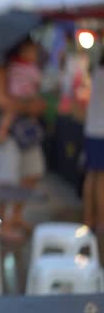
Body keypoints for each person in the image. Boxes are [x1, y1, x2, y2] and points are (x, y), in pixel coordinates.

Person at [0, 40, 47, 242]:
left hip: (26, 130)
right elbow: (0, 100)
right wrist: (27, 106)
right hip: (7, 132)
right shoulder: (2, 68)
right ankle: (2, 222)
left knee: (33, 171)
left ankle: (16, 216)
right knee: (7, 178)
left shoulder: (27, 68)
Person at [0, 40, 42, 141]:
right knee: (11, 113)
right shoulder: (31, 68)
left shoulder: (14, 66)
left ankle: (3, 130)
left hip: (19, 94)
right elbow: (37, 80)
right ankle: (3, 131)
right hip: (22, 95)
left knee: (11, 113)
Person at [83, 50, 104, 236]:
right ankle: (98, 220)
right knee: (99, 177)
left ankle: (91, 218)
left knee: (93, 175)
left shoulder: (98, 70)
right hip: (99, 131)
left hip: (93, 130)